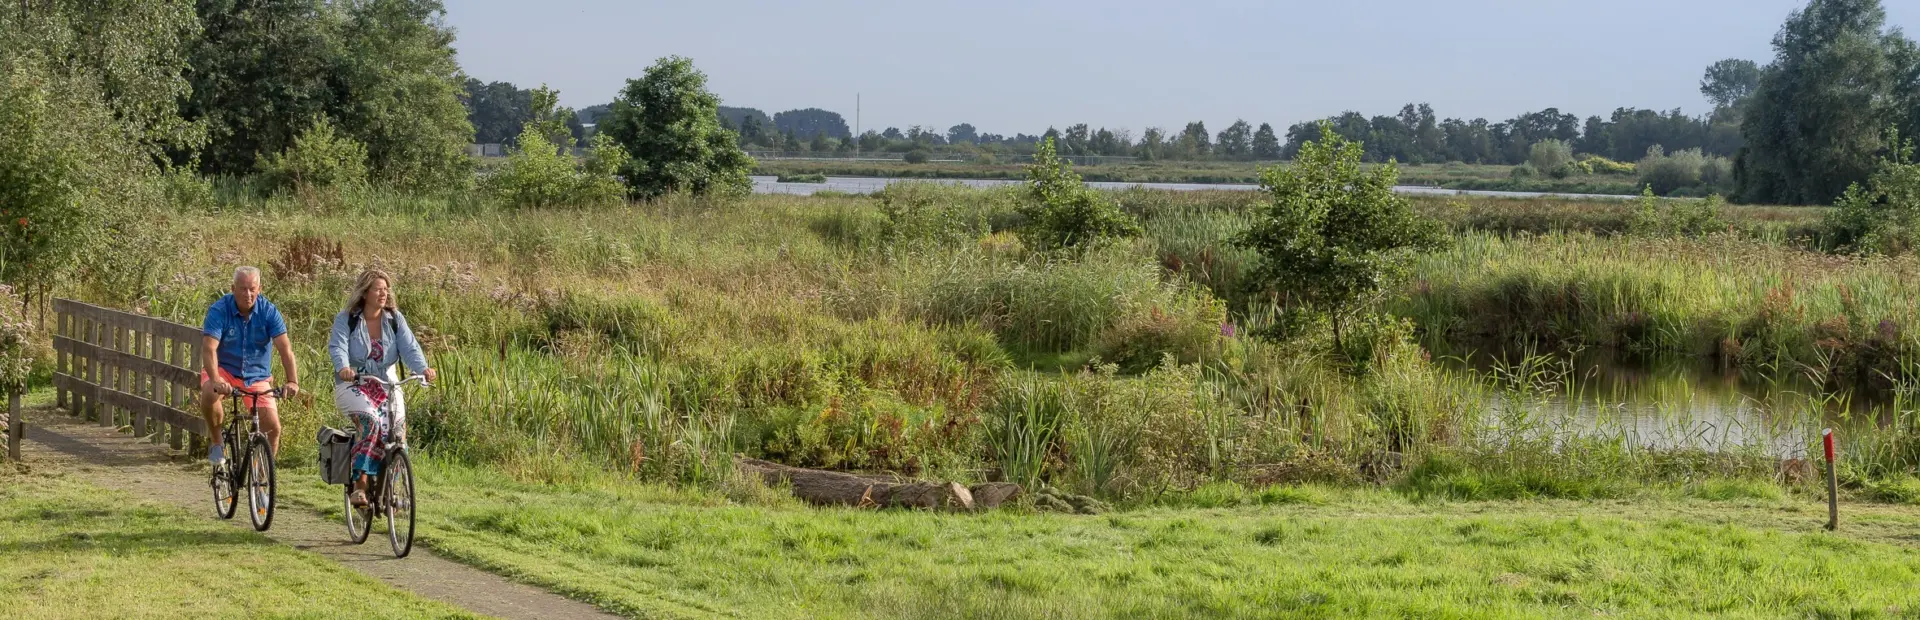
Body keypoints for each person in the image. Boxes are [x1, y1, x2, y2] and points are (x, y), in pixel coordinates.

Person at [328, 269, 436, 508]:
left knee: (398, 431)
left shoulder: (394, 319)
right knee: (372, 422)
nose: (383, 293)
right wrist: (344, 367)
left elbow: (410, 348)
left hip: (388, 383)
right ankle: (360, 485)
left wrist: (423, 369)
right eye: (378, 289)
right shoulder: (347, 319)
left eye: (386, 289)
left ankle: (394, 483)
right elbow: (338, 346)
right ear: (365, 292)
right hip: (354, 383)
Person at [201, 266, 302, 472]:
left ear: (259, 289)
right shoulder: (219, 310)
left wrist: (292, 381)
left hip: (256, 376)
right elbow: (209, 349)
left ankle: (261, 478)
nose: (248, 294)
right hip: (224, 370)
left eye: (252, 289)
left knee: (273, 427)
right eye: (242, 288)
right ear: (233, 288)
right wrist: (217, 379)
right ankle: (217, 442)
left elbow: (285, 349)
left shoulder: (269, 311)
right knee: (209, 391)